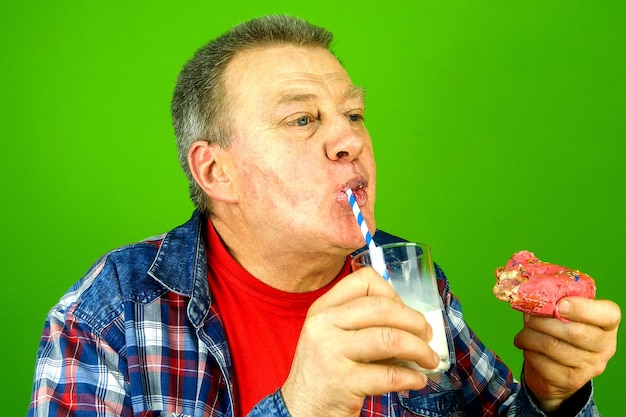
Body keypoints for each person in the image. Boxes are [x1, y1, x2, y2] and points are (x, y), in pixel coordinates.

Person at [28, 14, 620, 417]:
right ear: (216, 172)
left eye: (354, 115)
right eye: (302, 120)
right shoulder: (108, 315)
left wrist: (554, 396)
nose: (348, 142)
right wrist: (303, 403)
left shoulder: (408, 281)